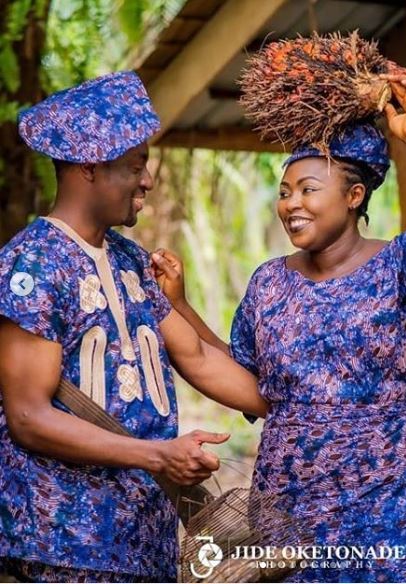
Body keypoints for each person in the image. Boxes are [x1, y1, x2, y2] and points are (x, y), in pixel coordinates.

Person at [152, 73, 406, 582]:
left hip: (388, 497)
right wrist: (180, 305)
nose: (292, 204)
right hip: (290, 502)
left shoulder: (400, 267)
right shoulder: (270, 282)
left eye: (309, 189)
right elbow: (242, 376)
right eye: (285, 191)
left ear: (354, 196)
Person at [0, 71, 267, 583]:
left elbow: (197, 356)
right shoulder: (30, 267)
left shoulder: (131, 261)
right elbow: (29, 417)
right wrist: (156, 455)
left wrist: (304, 411)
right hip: (65, 547)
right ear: (89, 167)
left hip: (145, 543)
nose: (147, 180)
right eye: (136, 165)